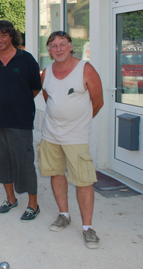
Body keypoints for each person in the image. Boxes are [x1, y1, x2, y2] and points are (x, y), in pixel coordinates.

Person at [39, 31, 103, 249]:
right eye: (54, 46)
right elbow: (48, 98)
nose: (58, 49)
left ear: (70, 46)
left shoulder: (85, 69)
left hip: (76, 137)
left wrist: (80, 122)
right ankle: (63, 215)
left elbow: (98, 101)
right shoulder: (46, 72)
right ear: (49, 50)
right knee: (57, 174)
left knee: (83, 181)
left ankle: (88, 228)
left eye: (62, 44)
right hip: (50, 135)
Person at [0, 20, 42, 222]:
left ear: (12, 37)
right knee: (2, 162)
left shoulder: (27, 60)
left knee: (25, 163)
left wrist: (20, 102)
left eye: (4, 35)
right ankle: (10, 199)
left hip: (20, 121)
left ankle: (33, 204)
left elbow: (35, 87)